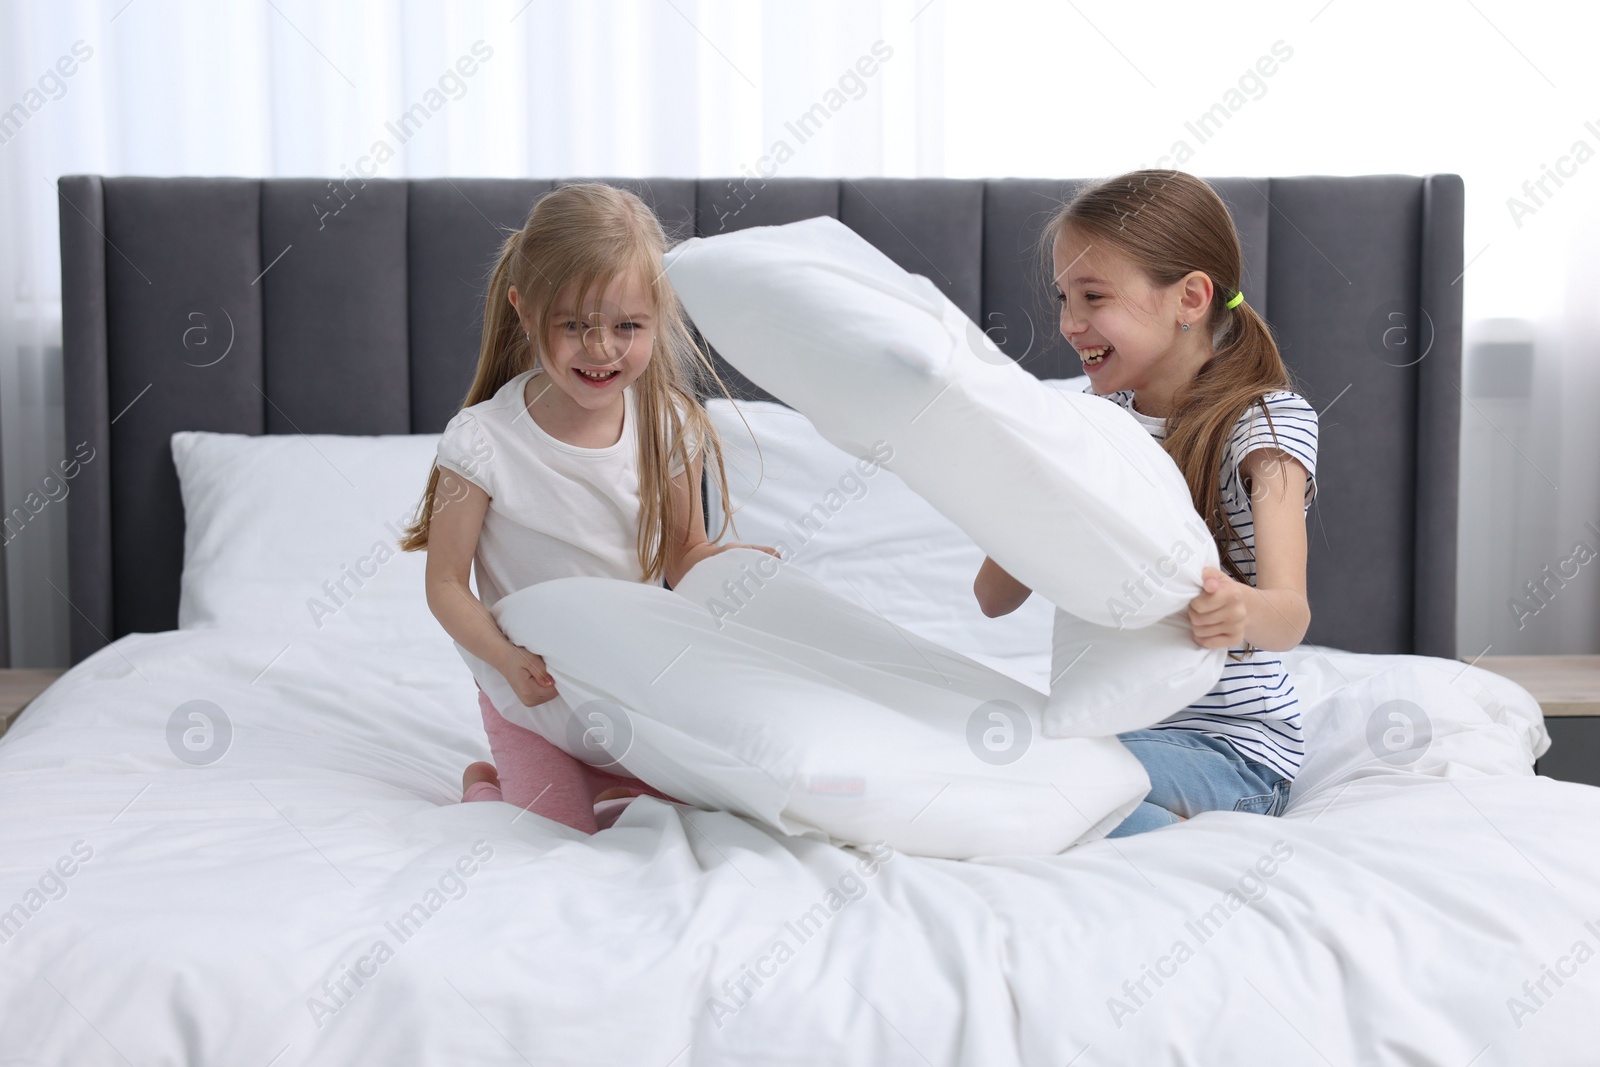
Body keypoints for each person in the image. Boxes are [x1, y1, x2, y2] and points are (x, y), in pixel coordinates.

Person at [399, 182, 777, 833]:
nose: (601, 349)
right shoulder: (482, 442)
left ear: (660, 315)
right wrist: (503, 657)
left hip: (627, 691)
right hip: (533, 699)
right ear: (524, 308)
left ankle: (602, 776)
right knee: (555, 832)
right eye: (574, 325)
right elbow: (444, 584)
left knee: (706, 812)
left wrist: (728, 564)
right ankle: (486, 783)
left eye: (627, 326)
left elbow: (686, 553)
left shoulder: (669, 425)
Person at [973, 169, 1319, 838]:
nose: (1070, 324)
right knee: (1025, 782)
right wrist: (1041, 466)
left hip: (1233, 753)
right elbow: (993, 596)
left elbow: (1290, 616)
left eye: (1094, 296)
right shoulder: (1087, 424)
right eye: (1064, 297)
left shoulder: (1266, 425)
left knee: (1050, 792)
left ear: (1189, 297)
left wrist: (1239, 609)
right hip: (1112, 733)